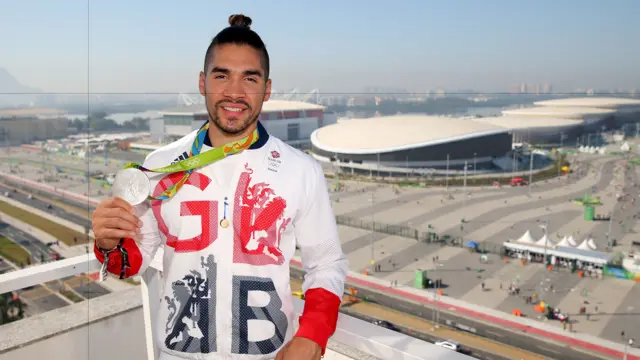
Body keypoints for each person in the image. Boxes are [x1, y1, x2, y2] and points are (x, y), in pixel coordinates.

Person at [91, 14, 348, 360]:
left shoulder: (302, 170)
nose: (234, 92)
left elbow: (327, 263)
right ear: (202, 82)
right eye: (221, 75)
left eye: (250, 78)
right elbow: (133, 260)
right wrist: (109, 241)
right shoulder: (161, 164)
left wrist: (313, 336)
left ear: (267, 89)